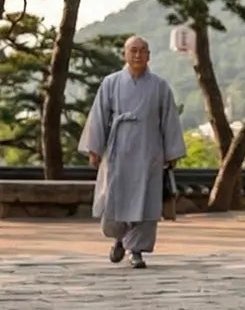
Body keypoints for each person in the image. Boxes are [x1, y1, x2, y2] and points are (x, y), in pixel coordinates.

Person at [78, 36, 186, 269]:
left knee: (146, 200)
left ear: (149, 55)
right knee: (115, 196)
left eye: (142, 51)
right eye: (133, 50)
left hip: (149, 151)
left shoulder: (160, 86)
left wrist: (172, 152)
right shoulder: (111, 83)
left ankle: (136, 250)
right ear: (125, 54)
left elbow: (169, 119)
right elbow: (99, 116)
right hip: (119, 150)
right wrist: (95, 148)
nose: (137, 55)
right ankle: (119, 238)